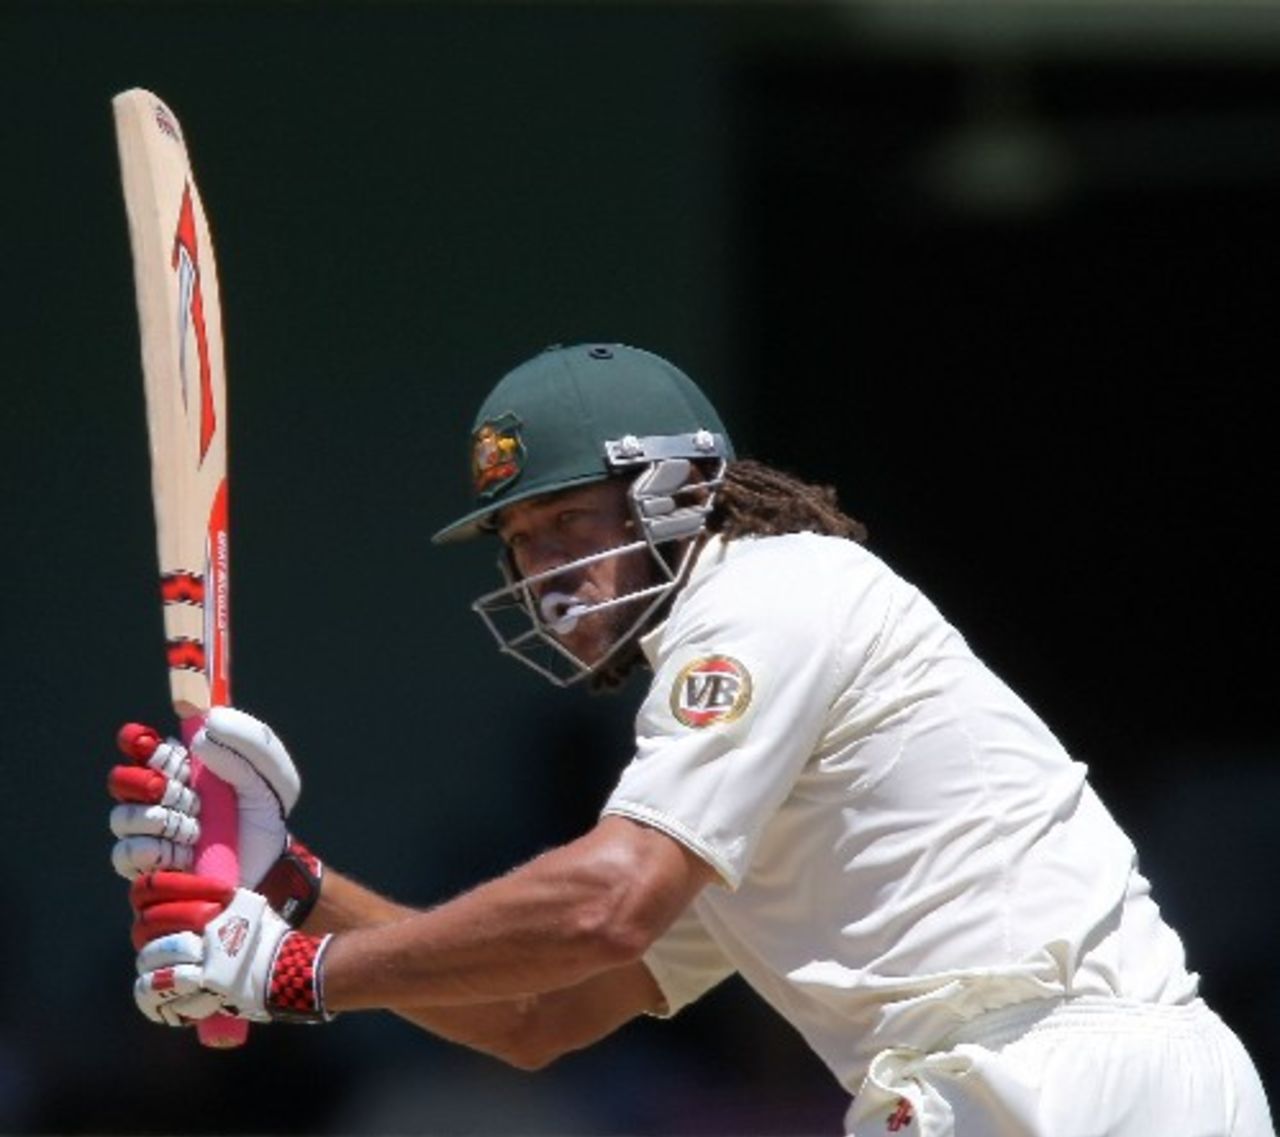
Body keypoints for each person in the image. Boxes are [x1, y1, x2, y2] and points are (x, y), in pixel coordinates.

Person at [109, 343, 1274, 1136]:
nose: (542, 571)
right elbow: (536, 1016)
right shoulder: (740, 771)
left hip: (1049, 1080)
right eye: (518, 539)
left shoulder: (770, 592)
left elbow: (606, 900)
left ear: (675, 493)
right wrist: (295, 886)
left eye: (568, 519)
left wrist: (291, 974)